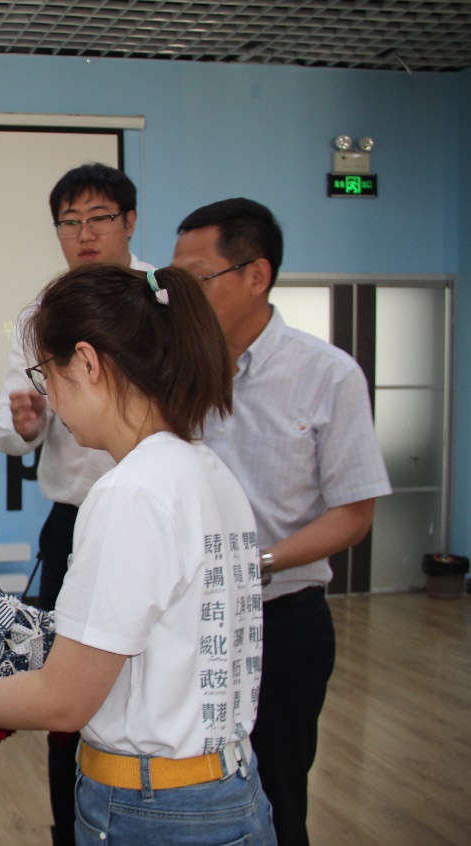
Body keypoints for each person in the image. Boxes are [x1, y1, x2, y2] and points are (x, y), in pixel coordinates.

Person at [0, 263, 276, 845]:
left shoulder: (129, 493)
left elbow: (63, 701)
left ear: (87, 362)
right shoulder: (206, 469)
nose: (51, 400)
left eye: (47, 375)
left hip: (153, 811)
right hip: (225, 787)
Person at [172, 199, 391, 846]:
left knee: (276, 795)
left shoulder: (327, 375)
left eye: (197, 278)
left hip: (281, 623)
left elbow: (352, 514)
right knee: (189, 791)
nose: (181, 296)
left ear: (255, 275)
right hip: (187, 621)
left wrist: (257, 563)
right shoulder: (174, 369)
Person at [0, 161, 155, 844]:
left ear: (129, 222)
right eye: (69, 222)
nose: (84, 234)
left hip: (151, 518)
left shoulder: (161, 300)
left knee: (146, 672)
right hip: (74, 523)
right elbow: (11, 431)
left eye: (99, 219)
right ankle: (71, 822)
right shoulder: (40, 316)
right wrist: (26, 425)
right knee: (66, 682)